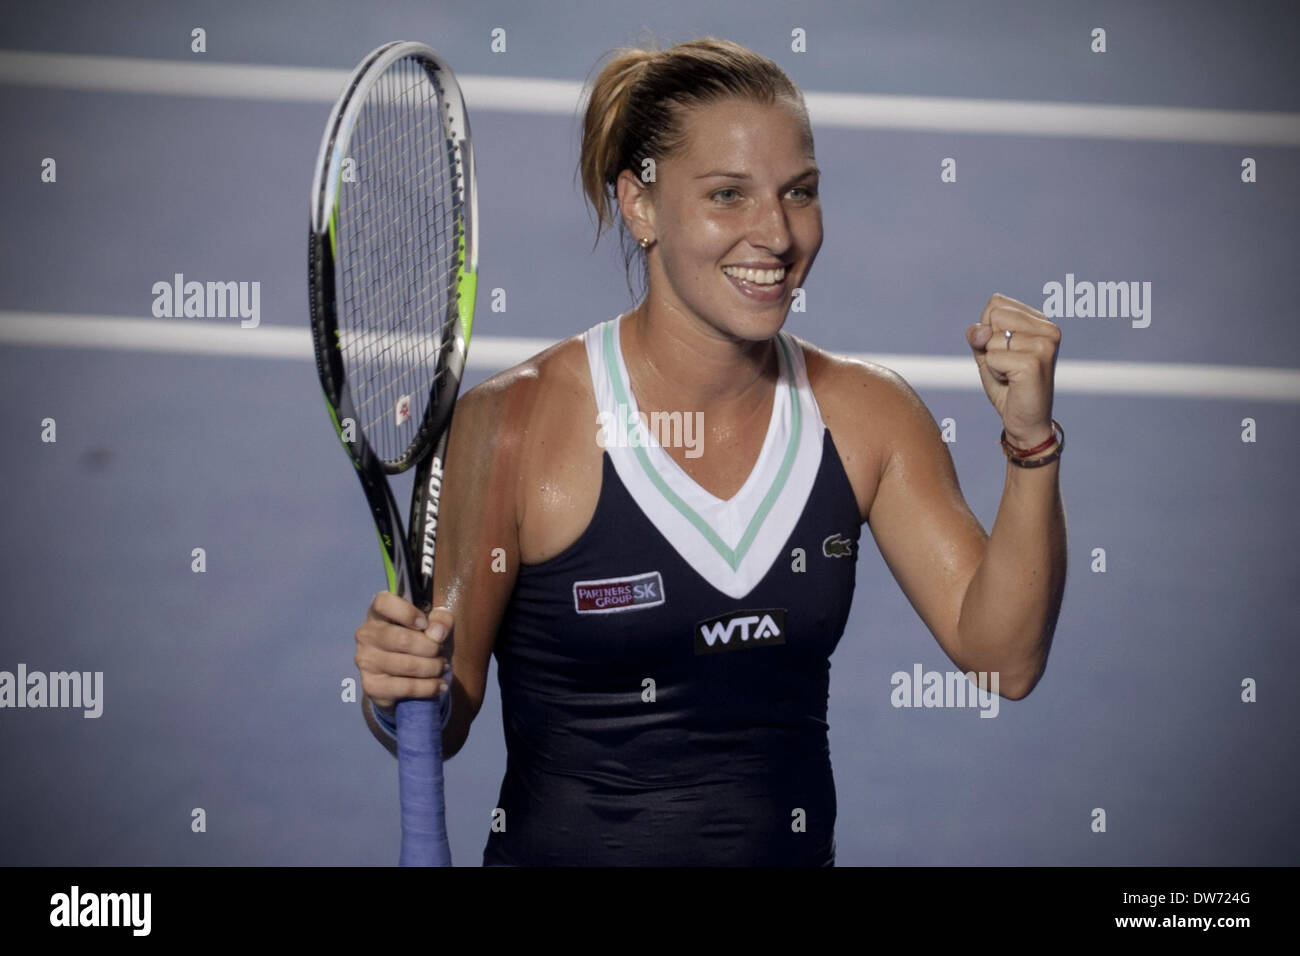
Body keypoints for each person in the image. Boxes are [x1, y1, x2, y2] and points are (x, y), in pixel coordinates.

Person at [352, 37, 1067, 866]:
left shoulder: (870, 417)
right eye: (728, 196)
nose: (776, 234)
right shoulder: (514, 425)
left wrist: (1029, 442)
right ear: (642, 205)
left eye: (798, 192)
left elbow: (1003, 659)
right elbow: (442, 719)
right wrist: (401, 685)